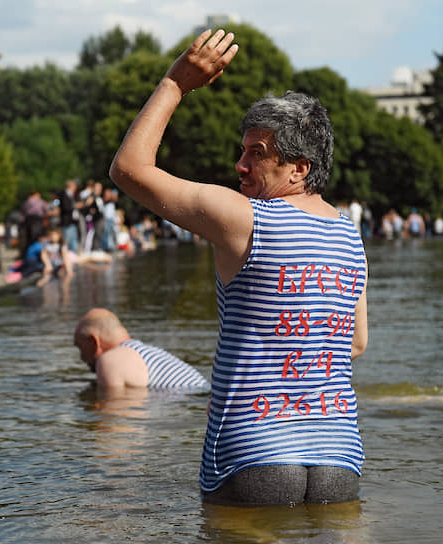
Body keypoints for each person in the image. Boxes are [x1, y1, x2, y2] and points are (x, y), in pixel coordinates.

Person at [108, 30, 368, 506]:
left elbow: (129, 169)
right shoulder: (349, 233)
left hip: (253, 453)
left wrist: (175, 83)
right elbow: (354, 342)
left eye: (257, 153)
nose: (240, 164)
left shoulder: (244, 217)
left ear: (299, 169)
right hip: (338, 457)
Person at [74, 308, 210, 392]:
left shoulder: (110, 361)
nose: (81, 358)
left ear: (94, 342)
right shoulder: (145, 352)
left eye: (80, 347)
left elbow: (113, 418)